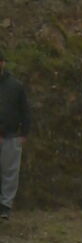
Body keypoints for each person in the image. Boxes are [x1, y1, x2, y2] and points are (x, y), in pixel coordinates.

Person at [0, 49, 30, 220]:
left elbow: (25, 110)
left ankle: (5, 206)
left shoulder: (15, 86)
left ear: (3, 63)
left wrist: (24, 133)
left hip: (11, 135)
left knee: (10, 172)